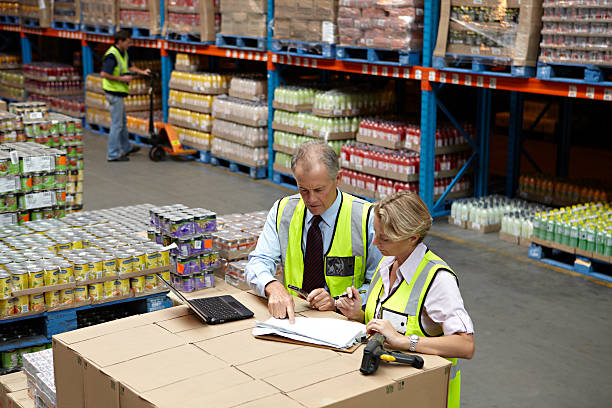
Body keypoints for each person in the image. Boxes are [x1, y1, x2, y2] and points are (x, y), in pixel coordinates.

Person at [336, 191, 474, 408]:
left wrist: (405, 341)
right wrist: (359, 314)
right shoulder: (387, 263)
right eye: (376, 234)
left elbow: (465, 345)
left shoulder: (438, 280)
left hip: (425, 395)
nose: (375, 243)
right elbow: (388, 322)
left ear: (412, 237)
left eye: (384, 238)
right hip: (388, 390)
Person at [245, 141, 382, 323]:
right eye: (303, 190)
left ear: (338, 178)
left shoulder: (366, 218)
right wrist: (272, 286)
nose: (312, 199)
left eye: (319, 190)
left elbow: (378, 285)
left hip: (344, 321)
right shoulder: (283, 211)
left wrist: (338, 302)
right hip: (295, 316)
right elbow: (258, 261)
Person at [100, 29, 150, 162]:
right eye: (128, 42)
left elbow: (130, 67)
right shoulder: (112, 55)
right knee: (117, 124)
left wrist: (142, 72)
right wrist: (122, 79)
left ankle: (126, 147)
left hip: (119, 92)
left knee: (122, 122)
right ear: (120, 41)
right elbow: (104, 74)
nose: (130, 44)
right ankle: (112, 154)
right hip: (113, 92)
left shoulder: (123, 52)